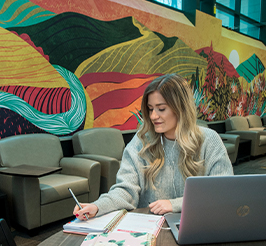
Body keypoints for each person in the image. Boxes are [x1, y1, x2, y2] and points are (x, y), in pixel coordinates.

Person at [74, 73, 233, 220]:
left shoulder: (208, 140)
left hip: (197, 223)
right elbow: (125, 190)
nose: (153, 116)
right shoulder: (141, 141)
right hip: (151, 227)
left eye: (161, 109)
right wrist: (98, 206)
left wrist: (176, 204)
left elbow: (223, 191)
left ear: (180, 108)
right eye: (150, 109)